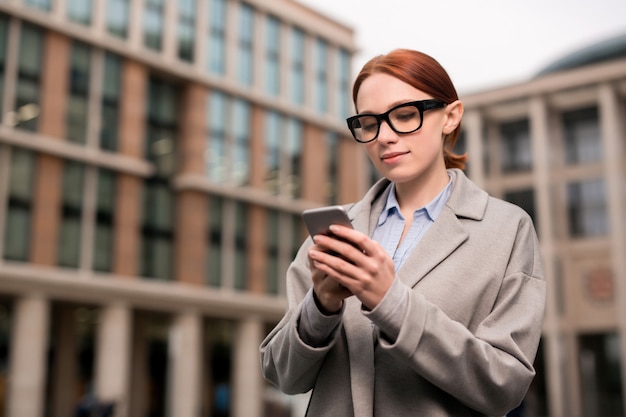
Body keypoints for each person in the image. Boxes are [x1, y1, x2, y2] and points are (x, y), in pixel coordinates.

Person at [260, 49, 546, 416]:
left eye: (405, 115)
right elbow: (283, 376)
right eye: (369, 123)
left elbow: (505, 385)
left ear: (451, 116)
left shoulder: (507, 229)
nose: (384, 137)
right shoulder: (335, 232)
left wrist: (390, 302)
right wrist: (321, 306)